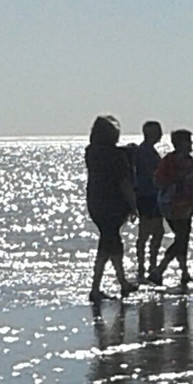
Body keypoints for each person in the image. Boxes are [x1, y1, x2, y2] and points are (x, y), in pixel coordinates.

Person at [85, 115, 138, 302]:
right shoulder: (117, 157)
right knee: (112, 244)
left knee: (109, 243)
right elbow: (124, 183)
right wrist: (133, 205)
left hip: (96, 202)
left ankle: (113, 283)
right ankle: (108, 285)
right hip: (113, 204)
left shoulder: (91, 152)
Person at [154, 129, 193, 286]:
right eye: (189, 141)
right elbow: (160, 180)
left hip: (185, 203)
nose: (191, 144)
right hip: (173, 203)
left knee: (183, 237)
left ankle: (184, 271)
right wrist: (185, 179)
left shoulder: (188, 160)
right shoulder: (171, 160)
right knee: (181, 237)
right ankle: (160, 270)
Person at [133, 121, 165, 283]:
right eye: (157, 132)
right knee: (148, 232)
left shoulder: (149, 151)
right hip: (147, 195)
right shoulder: (144, 152)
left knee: (154, 232)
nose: (160, 134)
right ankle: (145, 265)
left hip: (151, 195)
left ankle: (148, 264)